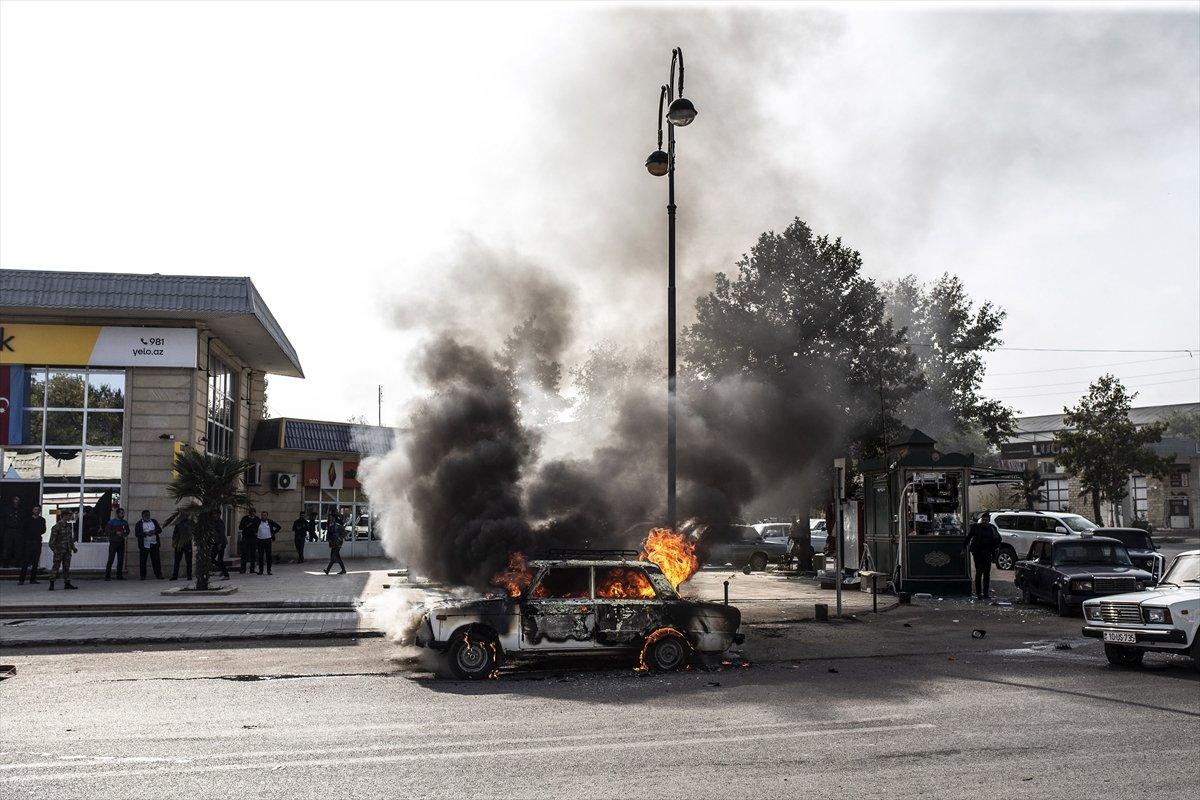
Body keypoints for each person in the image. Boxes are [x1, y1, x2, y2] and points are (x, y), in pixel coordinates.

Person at [963, 518, 1002, 600]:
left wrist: (995, 548)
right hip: (978, 553)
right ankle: (979, 593)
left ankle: (985, 593)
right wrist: (964, 548)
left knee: (986, 573)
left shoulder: (991, 528)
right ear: (981, 521)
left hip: (987, 553)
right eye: (983, 520)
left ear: (988, 521)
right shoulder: (976, 527)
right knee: (979, 572)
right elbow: (969, 537)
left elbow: (998, 538)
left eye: (986, 520)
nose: (984, 522)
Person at [47, 509, 78, 591]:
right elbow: (51, 542)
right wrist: (54, 550)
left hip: (67, 550)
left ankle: (67, 583)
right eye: (69, 515)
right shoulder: (56, 527)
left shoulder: (68, 526)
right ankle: (52, 583)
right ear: (64, 515)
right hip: (59, 550)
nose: (70, 517)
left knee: (66, 567)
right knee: (56, 567)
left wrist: (73, 548)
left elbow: (70, 539)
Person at [18, 504, 46, 585]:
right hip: (29, 542)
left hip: (37, 542)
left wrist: (37, 533)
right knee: (26, 561)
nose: (37, 511)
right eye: (35, 509)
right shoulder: (27, 520)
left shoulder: (42, 520)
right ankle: (21, 580)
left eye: (38, 509)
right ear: (32, 510)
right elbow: (23, 530)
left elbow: (43, 530)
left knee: (35, 562)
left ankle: (32, 579)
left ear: (40, 511)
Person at [135, 510, 164, 580]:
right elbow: (137, 534)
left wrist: (154, 531)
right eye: (146, 515)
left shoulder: (154, 521)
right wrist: (145, 534)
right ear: (142, 516)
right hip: (144, 545)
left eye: (148, 515)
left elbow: (159, 530)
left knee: (156, 560)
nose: (147, 516)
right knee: (143, 561)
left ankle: (158, 575)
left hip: (154, 544)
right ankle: (143, 576)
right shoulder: (138, 524)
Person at [104, 508, 130, 580]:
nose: (123, 515)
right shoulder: (111, 522)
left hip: (121, 542)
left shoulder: (124, 522)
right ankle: (107, 576)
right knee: (111, 559)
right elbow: (107, 531)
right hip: (113, 542)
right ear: (117, 514)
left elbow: (128, 531)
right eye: (121, 513)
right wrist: (115, 532)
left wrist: (124, 534)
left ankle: (119, 575)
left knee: (120, 559)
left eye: (123, 513)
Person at [255, 510, 281, 575]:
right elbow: (253, 528)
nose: (263, 516)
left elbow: (278, 527)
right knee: (260, 556)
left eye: (265, 515)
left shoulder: (270, 522)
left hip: (268, 540)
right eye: (262, 515)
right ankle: (261, 570)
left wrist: (273, 533)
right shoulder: (258, 522)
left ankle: (268, 570)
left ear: (267, 516)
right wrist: (255, 534)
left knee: (268, 556)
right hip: (260, 540)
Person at [170, 515, 193, 581]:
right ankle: (175, 576)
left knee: (188, 561)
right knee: (177, 561)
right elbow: (175, 533)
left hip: (187, 543)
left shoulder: (190, 522)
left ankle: (189, 576)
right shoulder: (178, 523)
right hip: (179, 544)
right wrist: (174, 541)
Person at [1, 496, 23, 566]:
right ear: (12, 500)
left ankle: (16, 563)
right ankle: (5, 564)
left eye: (18, 500)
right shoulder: (7, 509)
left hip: (18, 531)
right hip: (8, 530)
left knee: (18, 548)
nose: (17, 501)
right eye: (15, 499)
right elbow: (3, 521)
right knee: (7, 547)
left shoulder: (21, 510)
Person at [209, 512, 231, 580]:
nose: (213, 515)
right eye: (213, 514)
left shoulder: (219, 522)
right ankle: (222, 569)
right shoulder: (213, 521)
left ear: (218, 515)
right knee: (211, 558)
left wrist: (220, 544)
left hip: (221, 543)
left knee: (220, 560)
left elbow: (221, 533)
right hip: (216, 543)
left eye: (215, 514)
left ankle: (226, 574)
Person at [324, 509, 346, 575]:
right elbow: (329, 535)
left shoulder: (338, 526)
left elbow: (344, 533)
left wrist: (340, 538)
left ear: (334, 519)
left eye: (331, 519)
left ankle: (328, 570)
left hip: (338, 544)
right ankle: (343, 570)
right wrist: (329, 540)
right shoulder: (330, 527)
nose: (330, 520)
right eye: (329, 519)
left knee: (334, 556)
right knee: (336, 557)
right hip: (334, 544)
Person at [238, 508, 259, 574]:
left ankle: (252, 569)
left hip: (253, 538)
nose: (252, 514)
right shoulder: (245, 518)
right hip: (246, 538)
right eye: (251, 512)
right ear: (249, 513)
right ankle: (243, 569)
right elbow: (240, 527)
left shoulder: (257, 519)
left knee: (253, 554)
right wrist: (247, 526)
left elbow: (259, 527)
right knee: (244, 554)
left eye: (253, 512)